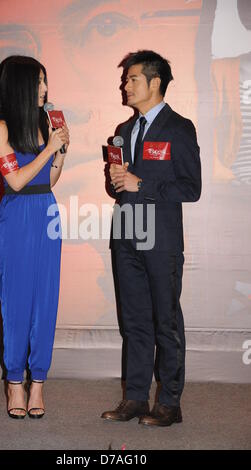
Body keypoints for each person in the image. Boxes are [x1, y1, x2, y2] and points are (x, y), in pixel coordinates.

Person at [102, 50, 201, 426]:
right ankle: (135, 398)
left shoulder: (179, 128)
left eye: (132, 79)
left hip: (161, 240)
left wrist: (140, 183)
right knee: (135, 321)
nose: (125, 85)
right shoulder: (125, 131)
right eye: (125, 80)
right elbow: (120, 190)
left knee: (166, 322)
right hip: (126, 234)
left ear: (155, 82)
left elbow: (191, 188)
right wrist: (117, 181)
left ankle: (170, 403)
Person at [0, 55, 69, 419]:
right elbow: (16, 181)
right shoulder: (0, 128)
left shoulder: (44, 124)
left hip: (46, 213)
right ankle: (15, 381)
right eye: (37, 82)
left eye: (45, 81)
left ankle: (39, 382)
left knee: (45, 299)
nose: (45, 90)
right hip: (16, 217)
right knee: (17, 302)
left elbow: (46, 181)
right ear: (19, 85)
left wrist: (60, 153)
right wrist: (49, 149)